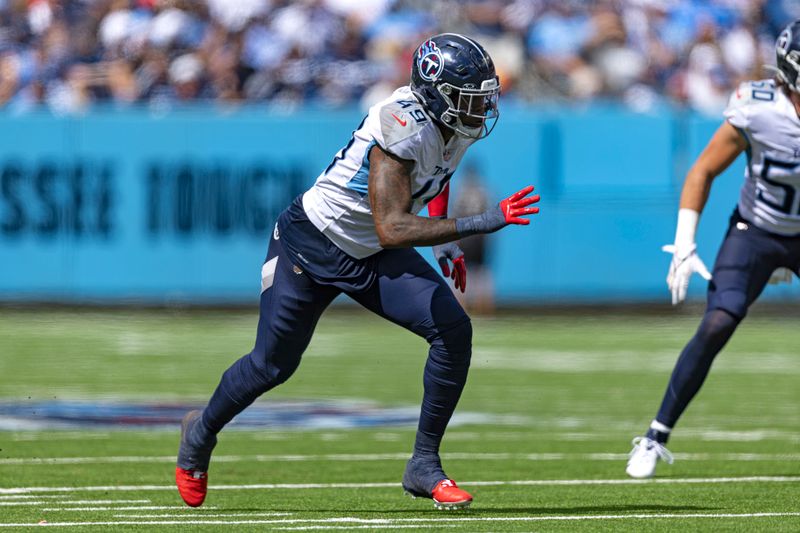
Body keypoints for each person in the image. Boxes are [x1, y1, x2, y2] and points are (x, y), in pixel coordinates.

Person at [175, 33, 540, 509]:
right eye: (470, 98)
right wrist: (483, 221)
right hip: (313, 244)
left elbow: (435, 180)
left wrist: (448, 245)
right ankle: (199, 434)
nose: (482, 108)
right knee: (271, 365)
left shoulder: (453, 125)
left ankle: (424, 465)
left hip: (371, 252)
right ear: (436, 94)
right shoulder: (401, 124)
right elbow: (392, 226)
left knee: (453, 331)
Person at [626, 20, 800, 479]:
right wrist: (684, 242)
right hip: (757, 230)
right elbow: (702, 170)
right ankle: (655, 435)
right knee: (719, 320)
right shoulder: (758, 108)